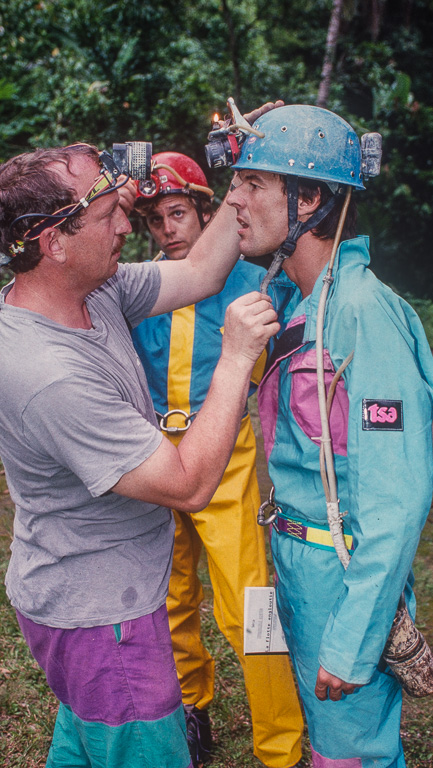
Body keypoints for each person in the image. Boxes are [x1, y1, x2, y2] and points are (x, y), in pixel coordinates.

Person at [0, 119, 280, 768]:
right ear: (53, 242)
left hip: (95, 600)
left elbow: (205, 271)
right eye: (110, 216)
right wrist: (236, 359)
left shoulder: (94, 293)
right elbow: (187, 483)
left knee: (88, 744)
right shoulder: (48, 373)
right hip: (105, 621)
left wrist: (243, 175)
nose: (129, 228)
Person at [224, 104, 433, 768]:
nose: (233, 197)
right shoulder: (298, 301)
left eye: (254, 182)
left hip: (343, 574)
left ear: (310, 198)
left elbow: (396, 501)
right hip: (299, 564)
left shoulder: (361, 314)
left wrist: (351, 641)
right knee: (329, 743)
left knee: (352, 753)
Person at [127, 151, 303, 768]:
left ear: (208, 212)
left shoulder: (252, 283)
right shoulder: (139, 285)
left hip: (226, 460)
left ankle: (282, 747)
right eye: (155, 219)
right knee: (169, 599)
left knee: (249, 605)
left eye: (178, 213)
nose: (168, 229)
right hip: (154, 459)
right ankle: (191, 712)